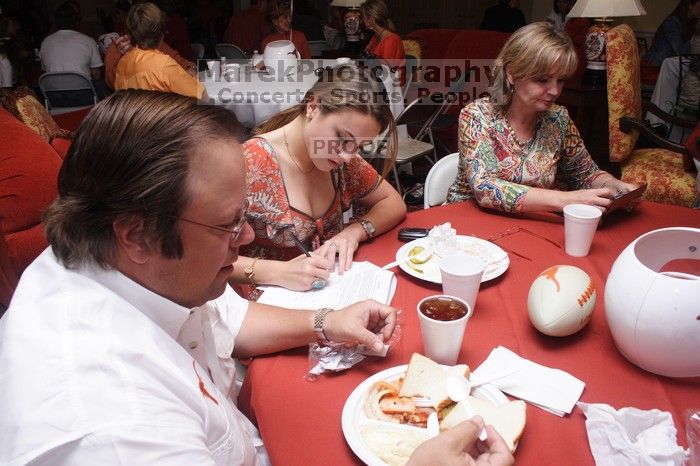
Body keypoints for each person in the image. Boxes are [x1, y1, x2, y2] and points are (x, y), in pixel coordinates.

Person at [0, 89, 512, 466]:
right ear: (136, 235)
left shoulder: (139, 268)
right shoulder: (113, 428)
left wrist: (329, 320)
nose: (247, 238)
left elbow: (231, 320)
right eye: (227, 224)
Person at [231, 65, 406, 292]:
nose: (346, 156)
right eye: (342, 139)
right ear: (313, 107)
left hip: (328, 297)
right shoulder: (249, 163)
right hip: (264, 309)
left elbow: (393, 203)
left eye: (360, 146)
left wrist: (354, 232)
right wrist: (279, 272)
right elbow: (201, 255)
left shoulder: (340, 163)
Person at [447, 22, 638, 213]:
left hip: (527, 224)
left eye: (561, 80)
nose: (555, 91)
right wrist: (567, 199)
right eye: (542, 80)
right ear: (512, 73)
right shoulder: (477, 116)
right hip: (465, 223)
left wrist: (612, 184)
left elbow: (585, 174)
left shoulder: (558, 119)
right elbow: (486, 189)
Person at [115, 2, 204, 99]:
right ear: (161, 34)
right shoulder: (163, 65)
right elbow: (200, 95)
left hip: (137, 113)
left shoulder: (122, 64)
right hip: (165, 113)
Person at [39, 2, 105, 96]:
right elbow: (97, 75)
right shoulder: (88, 41)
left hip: (54, 98)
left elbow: (45, 69)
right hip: (83, 96)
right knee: (103, 84)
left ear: (56, 22)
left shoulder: (45, 42)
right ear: (77, 21)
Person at [360, 0, 405, 85]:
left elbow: (385, 73)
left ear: (371, 20)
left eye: (363, 18)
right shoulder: (375, 37)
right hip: (378, 81)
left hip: (391, 87)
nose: (362, 21)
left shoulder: (391, 40)